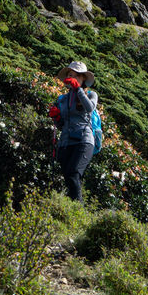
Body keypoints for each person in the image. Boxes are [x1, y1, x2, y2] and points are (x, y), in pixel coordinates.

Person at [48, 61, 99, 202]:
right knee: (68, 177)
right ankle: (73, 211)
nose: (72, 78)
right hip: (66, 142)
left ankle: (79, 212)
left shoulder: (91, 95)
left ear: (83, 79)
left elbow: (89, 108)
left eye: (76, 76)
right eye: (70, 75)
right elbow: (61, 125)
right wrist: (56, 117)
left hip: (84, 140)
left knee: (73, 174)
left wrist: (78, 90)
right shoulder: (62, 99)